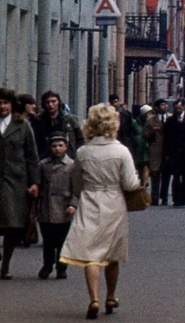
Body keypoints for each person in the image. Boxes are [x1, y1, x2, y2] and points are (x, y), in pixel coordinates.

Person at [60, 103, 142, 319]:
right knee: (112, 254)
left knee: (91, 255)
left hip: (89, 200)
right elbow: (131, 183)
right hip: (114, 202)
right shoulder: (121, 151)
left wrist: (83, 193)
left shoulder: (83, 152)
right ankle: (111, 296)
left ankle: (94, 298)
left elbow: (76, 182)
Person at [0, 87, 40, 280]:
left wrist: (34, 182)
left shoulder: (22, 125)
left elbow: (31, 156)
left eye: (5, 103)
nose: (2, 107)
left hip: (16, 181)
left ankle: (6, 264)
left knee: (14, 224)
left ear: (12, 105)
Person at [37, 134, 77, 280]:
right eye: (54, 146)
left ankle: (61, 267)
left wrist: (73, 204)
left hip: (63, 207)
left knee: (62, 241)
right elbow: (38, 184)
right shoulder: (43, 165)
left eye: (60, 145)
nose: (57, 149)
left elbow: (77, 189)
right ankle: (47, 265)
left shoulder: (72, 165)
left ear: (66, 147)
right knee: (47, 240)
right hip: (46, 207)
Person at [143, 99, 169, 205]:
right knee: (155, 174)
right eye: (162, 105)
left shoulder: (170, 118)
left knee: (166, 175)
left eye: (165, 105)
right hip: (155, 150)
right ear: (157, 107)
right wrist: (153, 131)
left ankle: (165, 197)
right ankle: (155, 198)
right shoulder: (150, 120)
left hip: (167, 150)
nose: (165, 107)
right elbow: (144, 134)